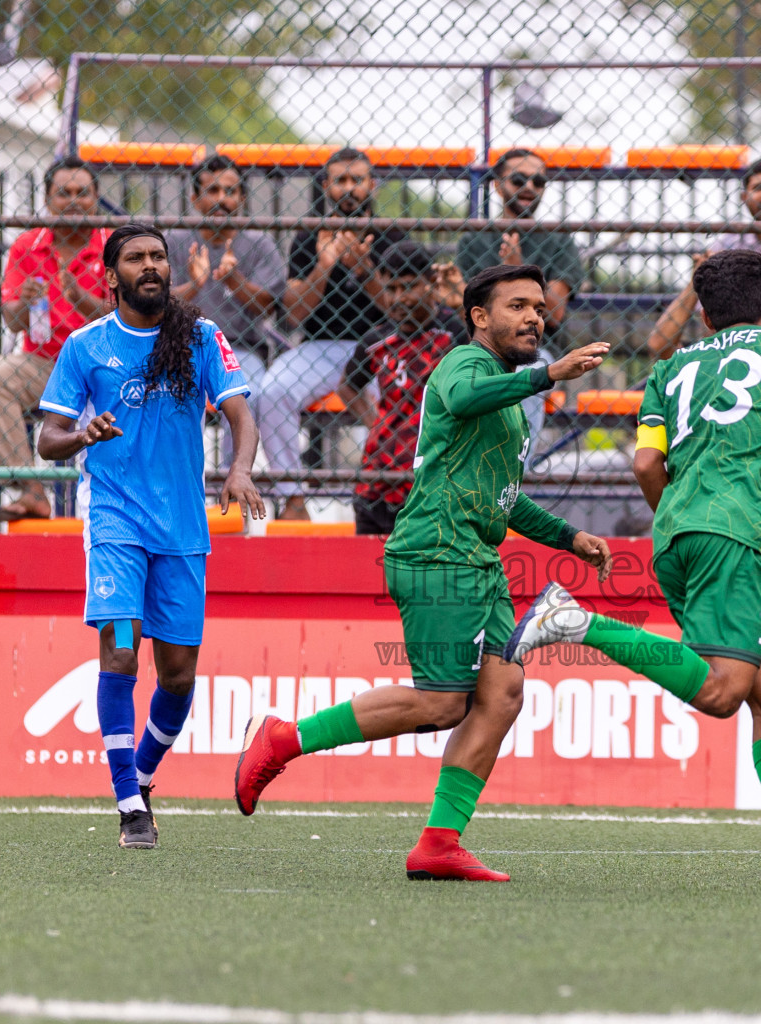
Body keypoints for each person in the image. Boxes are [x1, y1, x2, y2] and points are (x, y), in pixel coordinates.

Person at [507, 249, 761, 896]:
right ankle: (574, 620)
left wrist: (680, 521)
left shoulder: (670, 367)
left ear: (704, 311)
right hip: (732, 535)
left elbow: (643, 467)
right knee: (724, 694)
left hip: (675, 534)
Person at [233, 264, 613, 881]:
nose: (533, 317)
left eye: (539, 307)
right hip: (438, 554)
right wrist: (550, 374)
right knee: (441, 703)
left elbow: (504, 498)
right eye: (517, 305)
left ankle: (439, 842)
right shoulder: (465, 365)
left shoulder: (509, 393)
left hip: (478, 561)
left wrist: (570, 537)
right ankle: (283, 738)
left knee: (502, 695)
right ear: (479, 317)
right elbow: (463, 399)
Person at [35, 224, 265, 850]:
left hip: (184, 528)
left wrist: (239, 469)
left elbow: (242, 413)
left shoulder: (201, 337)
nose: (151, 266)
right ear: (110, 276)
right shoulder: (85, 347)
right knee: (118, 651)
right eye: (135, 258)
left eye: (158, 257)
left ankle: (139, 774)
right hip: (115, 523)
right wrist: (84, 434)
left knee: (179, 676)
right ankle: (129, 804)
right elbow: (47, 438)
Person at [264, 148, 407, 519]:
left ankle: (394, 497)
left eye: (357, 180)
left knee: (403, 398)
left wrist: (364, 270)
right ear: (326, 185)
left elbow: (402, 310)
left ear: (371, 185)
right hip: (320, 346)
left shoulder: (390, 235)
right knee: (272, 391)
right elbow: (294, 314)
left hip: (381, 344)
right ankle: (294, 500)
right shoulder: (310, 233)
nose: (349, 189)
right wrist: (324, 267)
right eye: (340, 181)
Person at [0, 156, 112, 520]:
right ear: (48, 199)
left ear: (97, 197)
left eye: (82, 193)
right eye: (63, 193)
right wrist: (24, 302)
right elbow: (13, 321)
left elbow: (130, 319)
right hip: (47, 366)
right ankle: (33, 490)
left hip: (105, 366)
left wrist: (81, 300)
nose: (73, 200)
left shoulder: (114, 245)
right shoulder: (27, 245)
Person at [454, 149, 587, 461]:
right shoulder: (475, 238)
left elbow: (554, 314)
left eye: (538, 181)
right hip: (480, 347)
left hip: (534, 348)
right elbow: (463, 309)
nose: (529, 186)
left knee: (532, 374)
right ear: (498, 185)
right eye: (518, 179)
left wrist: (518, 270)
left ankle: (511, 474)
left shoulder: (558, 238)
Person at [336, 242, 470, 535]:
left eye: (409, 287)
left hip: (432, 479)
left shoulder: (453, 335)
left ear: (431, 283)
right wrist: (377, 424)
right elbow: (347, 386)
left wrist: (462, 304)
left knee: (425, 573)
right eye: (392, 289)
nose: (400, 298)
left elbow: (490, 360)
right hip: (377, 479)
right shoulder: (377, 340)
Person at [647, 155, 761, 360]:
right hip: (735, 361)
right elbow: (705, 328)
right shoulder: (725, 246)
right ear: (744, 197)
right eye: (758, 187)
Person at [165, 154, 286, 468]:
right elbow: (156, 306)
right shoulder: (174, 242)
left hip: (240, 348)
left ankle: (231, 485)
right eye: (212, 190)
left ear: (242, 197)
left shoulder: (259, 244)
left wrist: (234, 280)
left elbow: (268, 308)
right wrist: (194, 285)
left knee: (249, 394)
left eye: (230, 191)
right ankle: (177, 483)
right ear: (194, 198)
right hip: (181, 347)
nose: (222, 199)